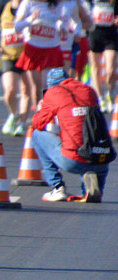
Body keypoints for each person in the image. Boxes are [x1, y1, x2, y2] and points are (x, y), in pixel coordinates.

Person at [32, 68, 111, 203]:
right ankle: (88, 190)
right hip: (102, 160)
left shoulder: (54, 93)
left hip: (74, 161)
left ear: (51, 86)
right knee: (85, 135)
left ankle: (57, 188)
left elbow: (38, 123)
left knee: (37, 135)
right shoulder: (88, 90)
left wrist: (41, 108)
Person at [14, 0, 66, 104]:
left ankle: (49, 118)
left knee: (47, 86)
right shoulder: (28, 3)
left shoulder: (55, 4)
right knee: (35, 88)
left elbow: (61, 21)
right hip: (33, 47)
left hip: (51, 47)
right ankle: (40, 117)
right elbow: (17, 26)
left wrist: (62, 27)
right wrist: (30, 19)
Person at [0, 0, 32, 136]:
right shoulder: (4, 9)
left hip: (27, 55)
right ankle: (13, 114)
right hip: (8, 55)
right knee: (9, 90)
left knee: (26, 90)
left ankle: (22, 123)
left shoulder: (30, 10)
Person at [85, 0, 118, 110]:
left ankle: (110, 92)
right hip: (95, 35)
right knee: (96, 68)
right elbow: (85, 16)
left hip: (111, 35)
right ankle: (100, 98)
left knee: (110, 68)